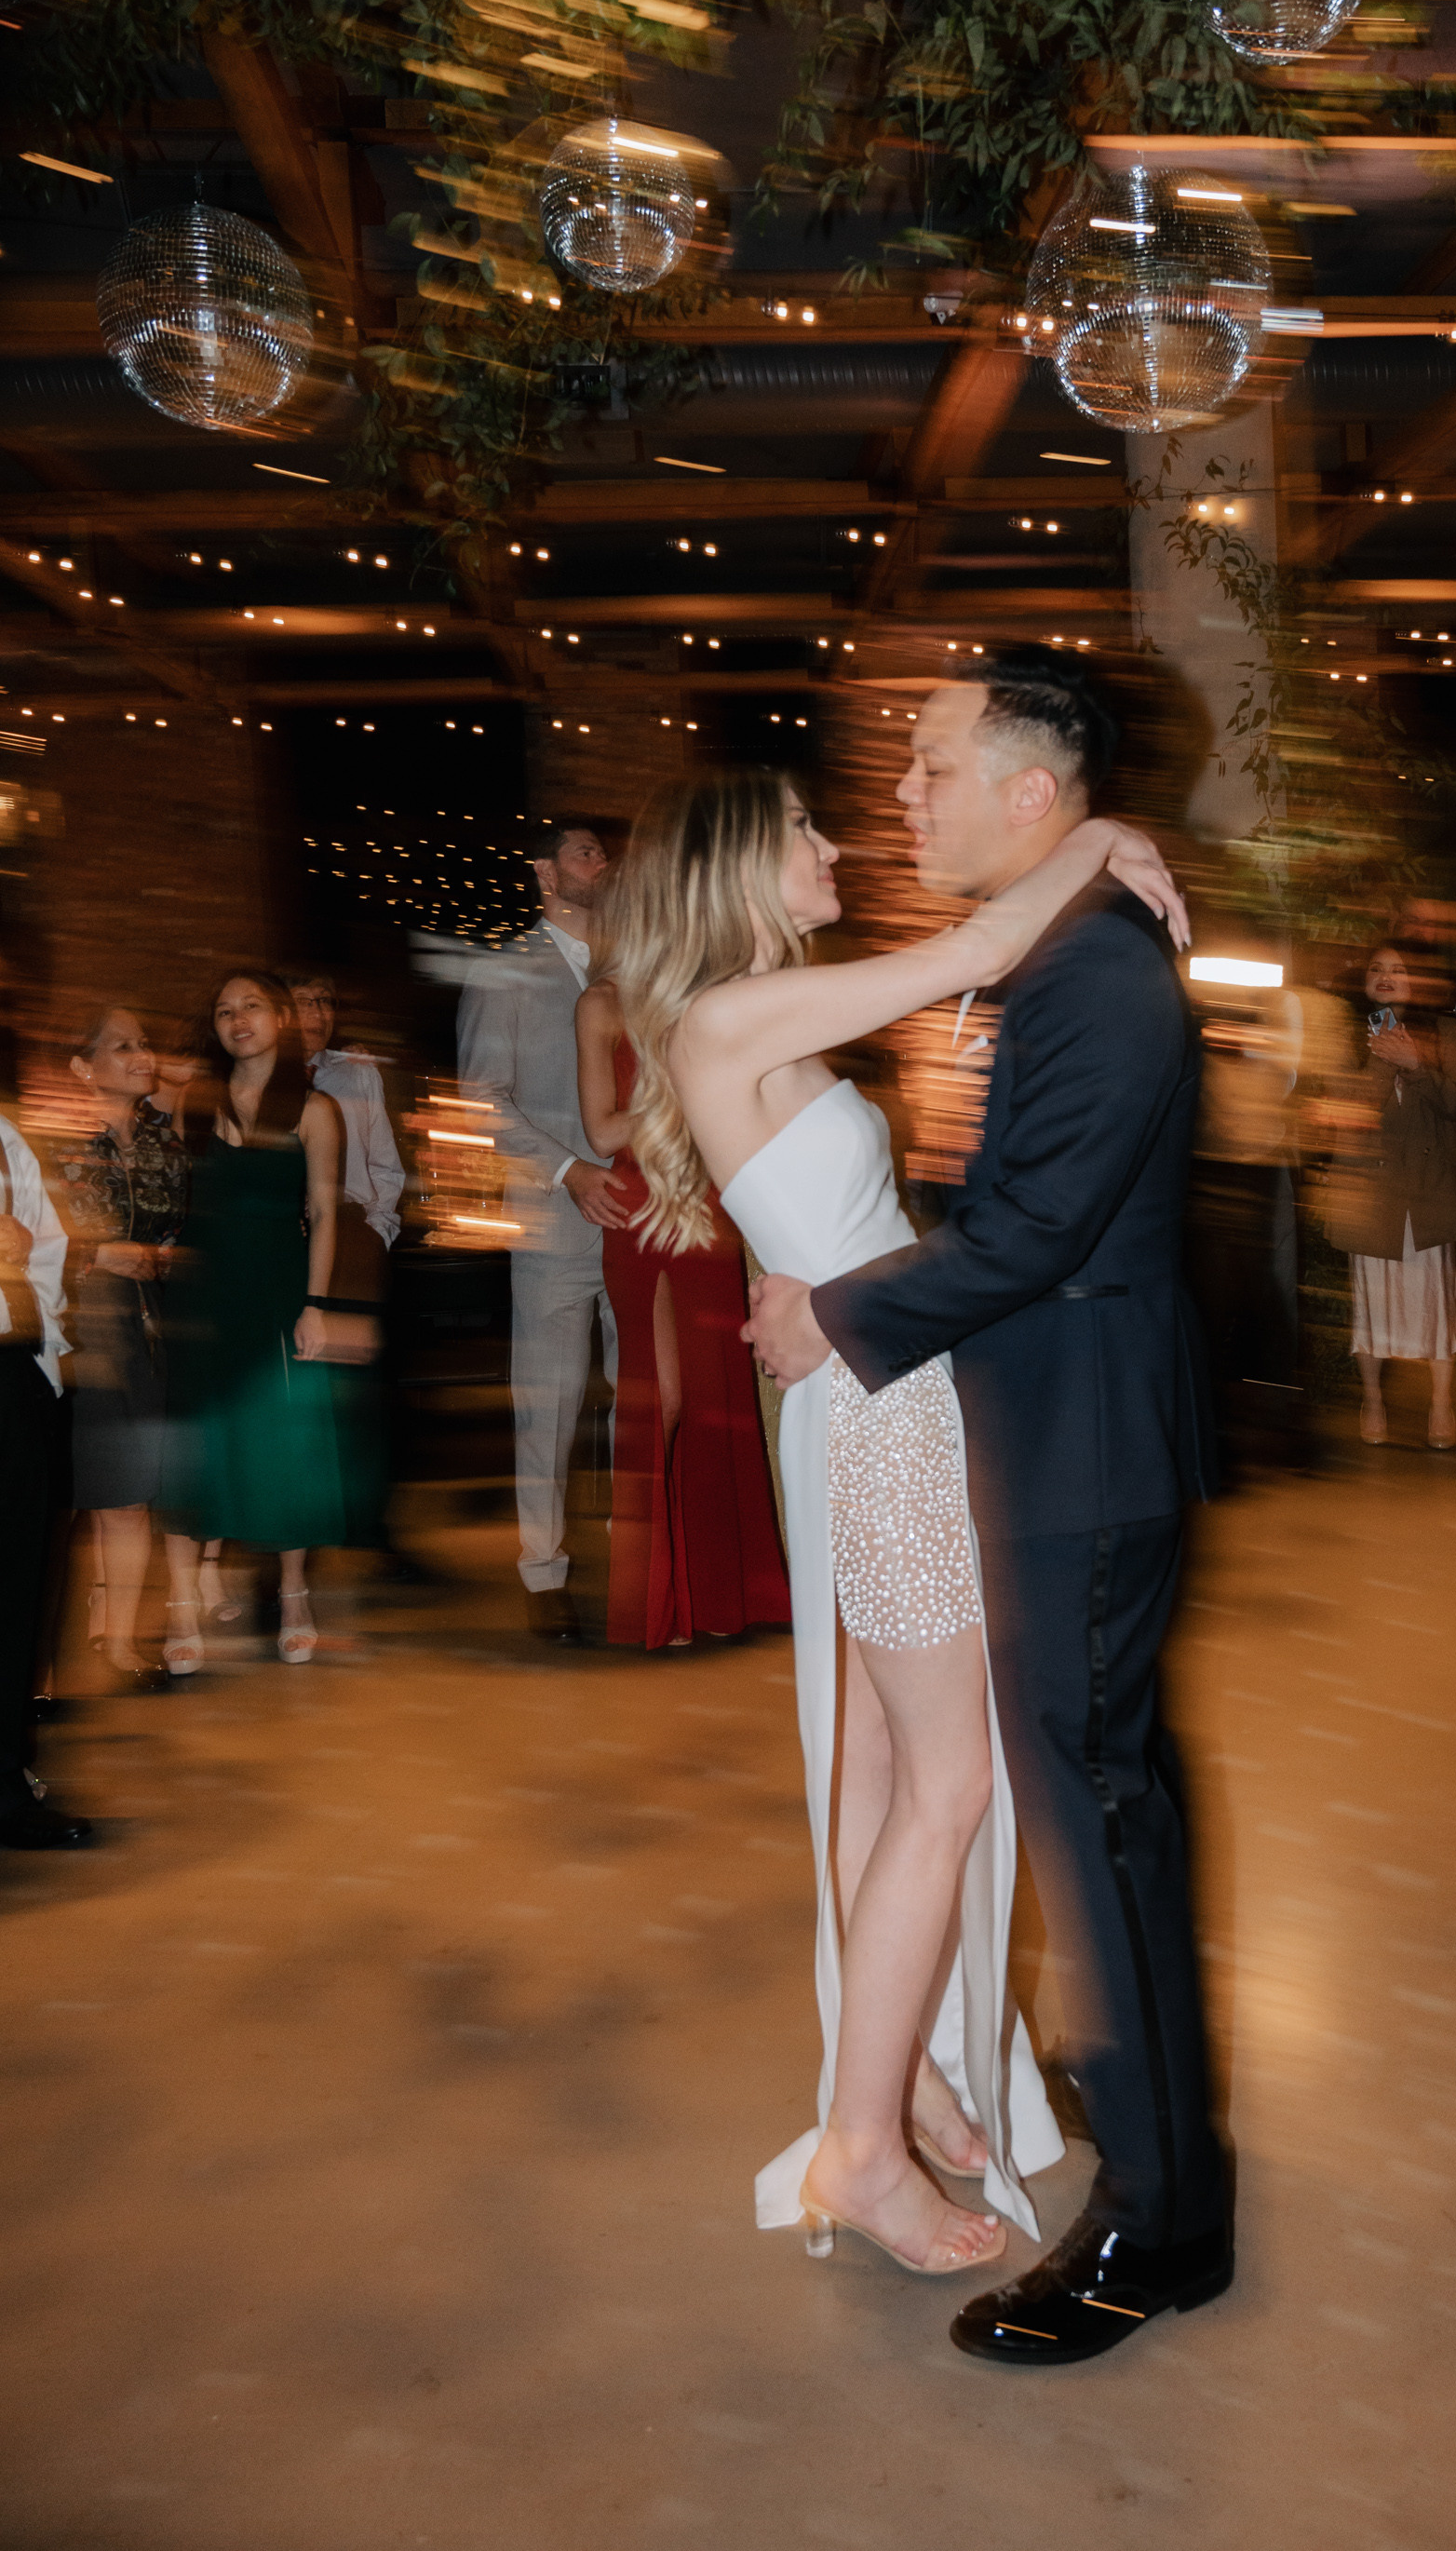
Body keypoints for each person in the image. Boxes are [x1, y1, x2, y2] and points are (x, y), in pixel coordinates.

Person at [617, 747, 1187, 2290]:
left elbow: (807, 1243)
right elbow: (984, 948)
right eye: (800, 822)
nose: (833, 838)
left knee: (877, 1783)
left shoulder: (742, 1023)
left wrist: (828, 1301)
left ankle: (907, 2081)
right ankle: (863, 2145)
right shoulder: (735, 1015)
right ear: (739, 859)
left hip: (866, 1411)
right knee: (948, 1790)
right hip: (889, 1435)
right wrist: (1108, 829)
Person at [748, 650, 1233, 2368]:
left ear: (1032, 792)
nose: (904, 793)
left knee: (1092, 1834)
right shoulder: (1072, 947)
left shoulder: (1093, 977)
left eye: (931, 764)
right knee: (1107, 1824)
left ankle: (1159, 2230)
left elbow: (1028, 1235)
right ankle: (1165, 2146)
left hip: (1080, 1456)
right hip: (1064, 1438)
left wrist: (838, 1312)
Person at [573, 868, 789, 1649]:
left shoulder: (704, 993)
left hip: (708, 1206)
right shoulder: (600, 1003)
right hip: (639, 1214)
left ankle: (731, 1598)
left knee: (718, 1398)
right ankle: (657, 1602)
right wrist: (683, 1102)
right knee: (659, 1399)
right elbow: (600, 1131)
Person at [456, 822, 621, 1642]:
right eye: (587, 852)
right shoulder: (504, 969)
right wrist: (568, 1171)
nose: (604, 865)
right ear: (544, 871)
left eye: (604, 853)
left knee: (642, 1397)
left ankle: (638, 1563)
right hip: (555, 1221)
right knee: (547, 1403)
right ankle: (542, 1572)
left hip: (638, 1218)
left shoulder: (642, 964)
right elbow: (482, 1099)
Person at [158, 970, 352, 1664]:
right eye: (223, 1011)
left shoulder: (316, 1109)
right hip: (204, 1299)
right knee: (196, 1451)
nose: (237, 1019)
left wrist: (316, 1305)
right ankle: (182, 1613)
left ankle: (293, 1595)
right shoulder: (195, 1102)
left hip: (277, 1291)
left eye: (251, 1007)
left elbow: (326, 1213)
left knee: (283, 1448)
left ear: (280, 1018)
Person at [54, 1006, 192, 1686]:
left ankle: (118, 1640)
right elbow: (35, 1241)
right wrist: (101, 1251)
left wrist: (156, 1259)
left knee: (130, 1498)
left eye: (144, 1042)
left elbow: (178, 1240)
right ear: (85, 1067)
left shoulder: (167, 1147)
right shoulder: (59, 1146)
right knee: (64, 1499)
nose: (142, 1054)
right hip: (78, 1336)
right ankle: (39, 1654)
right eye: (121, 1046)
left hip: (144, 1332)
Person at [1328, 941, 1456, 1451]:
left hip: (1428, 1192)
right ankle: (1373, 1401)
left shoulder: (1443, 1031)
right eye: (1376, 969)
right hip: (1371, 1191)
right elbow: (1346, 1109)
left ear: (1418, 980)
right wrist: (1384, 1063)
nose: (1386, 976)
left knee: (1436, 1303)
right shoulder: (1348, 1033)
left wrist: (1415, 1062)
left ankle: (1441, 1404)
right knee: (1371, 1305)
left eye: (1399, 970)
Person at [0, 1107, 91, 1849]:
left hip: (9, 1372)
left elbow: (46, 1243)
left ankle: (5, 1785)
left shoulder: (3, 1137)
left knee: (15, 1588)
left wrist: (43, 1369)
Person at [284, 969, 406, 1304]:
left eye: (325, 1001)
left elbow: (385, 1164)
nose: (318, 1013)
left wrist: (379, 1233)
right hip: (285, 1241)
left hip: (352, 1234)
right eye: (304, 1002)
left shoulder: (357, 1071)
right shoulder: (261, 1080)